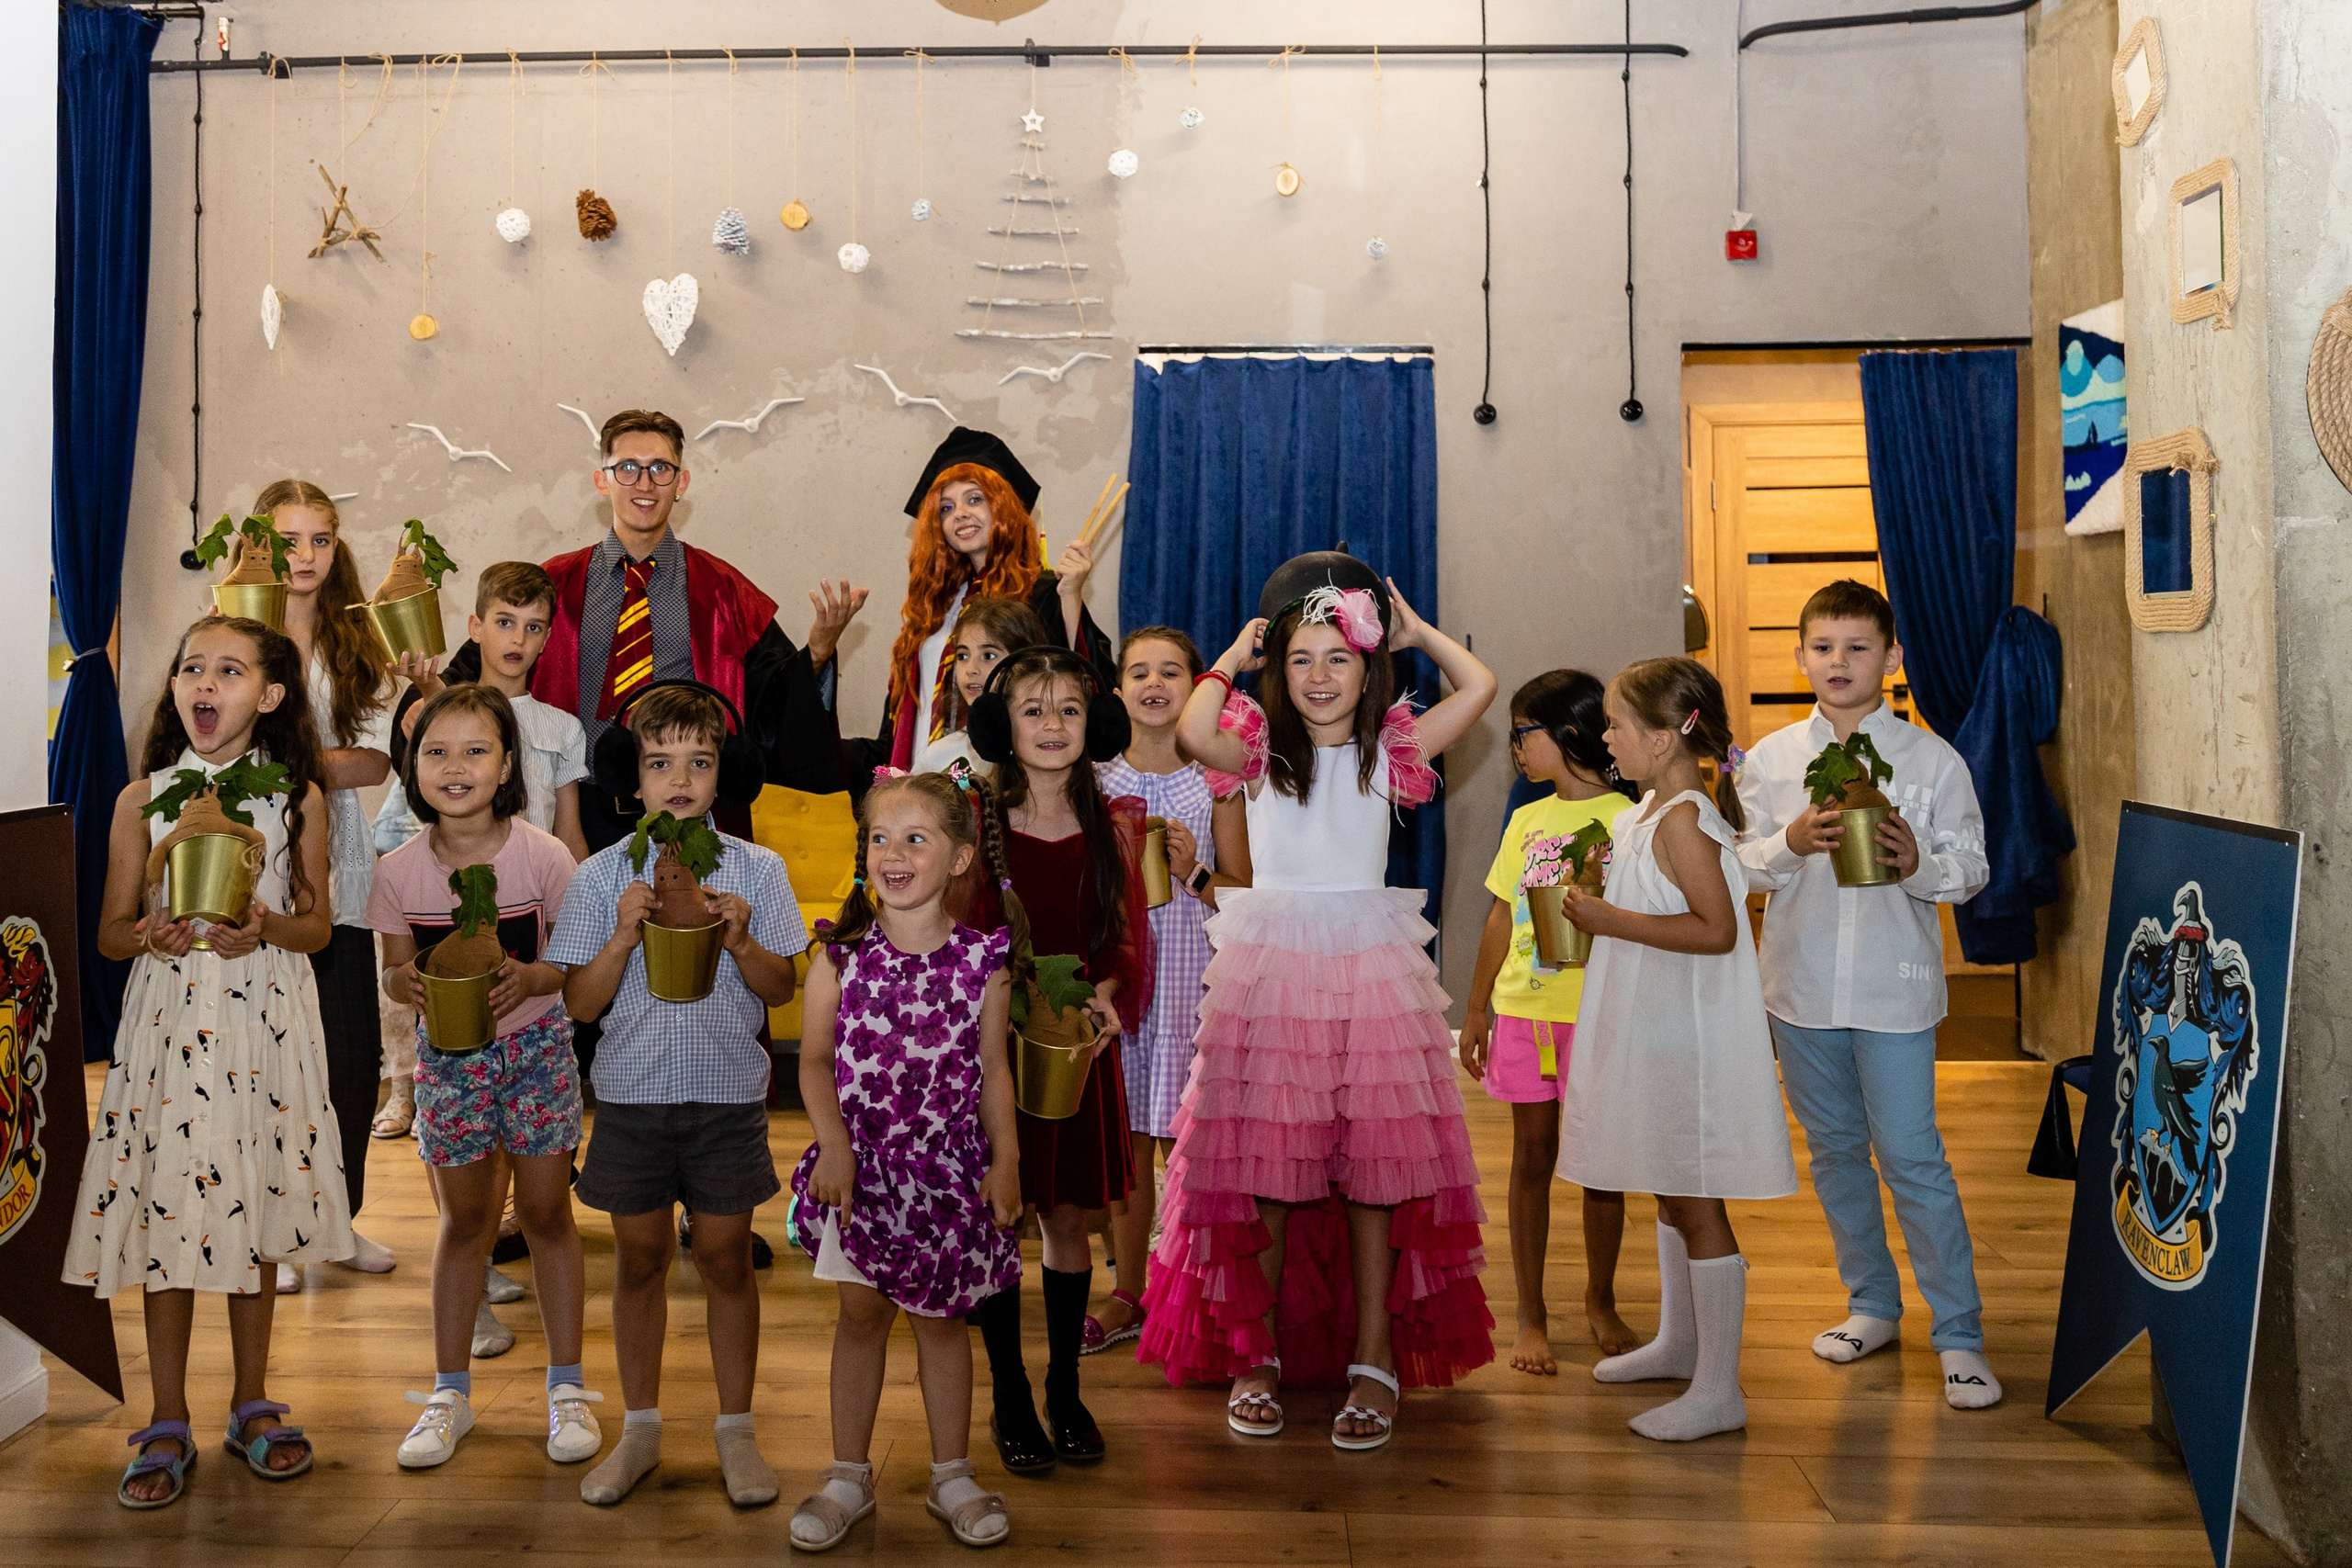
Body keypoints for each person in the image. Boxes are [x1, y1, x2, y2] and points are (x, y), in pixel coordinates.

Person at [1140, 553, 1498, 1450]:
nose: (1320, 676)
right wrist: (1230, 657)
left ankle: (1372, 1359)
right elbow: (1192, 730)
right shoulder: (1257, 753)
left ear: (1369, 668)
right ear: (1277, 670)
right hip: (1273, 971)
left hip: (1368, 968)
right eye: (1301, 658)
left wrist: (1419, 636)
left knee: (1376, 1178)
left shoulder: (1390, 751)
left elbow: (1481, 686)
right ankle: (1252, 1354)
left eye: (1338, 657)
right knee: (1265, 1172)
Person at [67, 615, 348, 1507]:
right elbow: (110, 935)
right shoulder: (139, 797)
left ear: (268, 696)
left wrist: (266, 928)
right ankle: (167, 1414)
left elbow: (318, 925)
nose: (205, 682)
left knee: (255, 1202)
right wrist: (146, 932)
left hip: (263, 1024)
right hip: (169, 1033)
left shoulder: (297, 796)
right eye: (193, 666)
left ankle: (252, 1400)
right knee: (166, 1215)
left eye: (230, 670)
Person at [1733, 580, 2000, 1409]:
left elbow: (1972, 869)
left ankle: (1959, 1332)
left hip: (1895, 992)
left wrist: (1917, 861)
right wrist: (1788, 841)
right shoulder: (1773, 761)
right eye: (1822, 646)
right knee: (1837, 1153)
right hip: (1800, 991)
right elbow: (1736, 862)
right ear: (1801, 655)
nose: (1838, 661)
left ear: (1893, 657)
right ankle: (1873, 1303)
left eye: (1857, 646)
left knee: (1914, 1157)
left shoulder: (1933, 761)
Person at [544, 682, 806, 1506]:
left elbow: (778, 987)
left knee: (727, 1258)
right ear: (635, 779)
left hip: (727, 1098)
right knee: (641, 1257)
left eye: (699, 761)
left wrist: (741, 935)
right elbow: (580, 1005)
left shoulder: (757, 867)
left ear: (723, 771)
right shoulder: (598, 876)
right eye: (662, 763)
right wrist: (622, 935)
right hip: (631, 1098)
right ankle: (642, 1428)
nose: (681, 779)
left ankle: (736, 1429)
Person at [400, 410, 860, 852]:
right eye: (627, 468)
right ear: (602, 480)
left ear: (681, 483)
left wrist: (817, 651)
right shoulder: (552, 584)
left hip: (688, 812)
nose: (644, 483)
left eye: (660, 468)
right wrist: (429, 706)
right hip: (576, 812)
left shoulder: (722, 591)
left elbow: (769, 707)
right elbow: (479, 672)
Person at [1555, 657, 1799, 1442]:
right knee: (1664, 1181)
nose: (1605, 737)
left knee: (1695, 1198)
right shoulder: (1642, 815)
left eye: (1617, 725)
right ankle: (1680, 1340)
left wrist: (1608, 921)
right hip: (1649, 1032)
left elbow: (1717, 929)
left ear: (1661, 740)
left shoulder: (1685, 819)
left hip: (1686, 1043)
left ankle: (1720, 1387)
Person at [786, 773, 1023, 1552]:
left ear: (957, 859)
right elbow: (814, 1062)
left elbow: (994, 1068)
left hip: (947, 1178)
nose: (894, 853)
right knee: (860, 1318)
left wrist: (1007, 1158)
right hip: (862, 1174)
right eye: (881, 838)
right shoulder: (840, 956)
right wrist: (838, 1145)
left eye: (916, 839)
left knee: (940, 1324)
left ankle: (951, 1472)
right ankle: (847, 1474)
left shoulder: (981, 964)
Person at [368, 685, 601, 1471]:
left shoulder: (543, 855)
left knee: (544, 1212)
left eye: (476, 750)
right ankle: (449, 1393)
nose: (456, 766)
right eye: (437, 750)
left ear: (507, 764)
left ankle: (567, 1386)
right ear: (413, 765)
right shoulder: (398, 870)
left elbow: (569, 961)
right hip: (449, 1065)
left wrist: (533, 979)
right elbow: (396, 970)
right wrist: (411, 986)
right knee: (463, 1222)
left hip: (535, 1053)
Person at [956, 648, 1152, 1472]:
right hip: (988, 1050)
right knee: (1002, 1215)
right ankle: (1008, 1396)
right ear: (1004, 725)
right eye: (1033, 710)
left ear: (1092, 724)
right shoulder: (975, 820)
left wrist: (1107, 989)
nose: (1050, 725)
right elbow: (954, 933)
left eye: (1068, 710)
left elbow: (1123, 937)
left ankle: (1064, 1385)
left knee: (1067, 1217)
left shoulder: (1113, 824)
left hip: (1072, 1044)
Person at [1457, 670, 1641, 1373]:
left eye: (1522, 733)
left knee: (1601, 1167)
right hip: (1527, 1014)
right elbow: (1501, 914)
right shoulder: (1526, 819)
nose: (1514, 748)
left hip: (1603, 1017)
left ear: (1568, 735)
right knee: (1532, 1158)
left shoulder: (1630, 818)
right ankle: (1530, 1313)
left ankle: (1600, 1299)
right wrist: (1477, 1009)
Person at [371, 561, 592, 1142]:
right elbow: (418, 804)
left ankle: (539, 1179)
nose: (517, 639)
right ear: (475, 626)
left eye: (534, 627)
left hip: (532, 897)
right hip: (453, 894)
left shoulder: (561, 728)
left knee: (535, 1057)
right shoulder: (434, 713)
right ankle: (413, 1094)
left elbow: (569, 832)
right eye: (503, 622)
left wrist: (588, 902)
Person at [1084, 626, 1251, 1358]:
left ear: (1196, 690)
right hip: (1122, 986)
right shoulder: (1094, 780)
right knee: (1125, 1146)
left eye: (1172, 672)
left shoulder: (1217, 781)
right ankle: (1130, 1289)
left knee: (1192, 1146)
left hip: (1194, 983)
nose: (1154, 683)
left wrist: (1196, 873)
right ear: (1117, 689)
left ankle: (1195, 1283)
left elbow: (1248, 894)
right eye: (1138, 671)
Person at [258, 480, 399, 1278]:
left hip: (339, 878)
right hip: (257, 881)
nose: (304, 555)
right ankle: (274, 1227)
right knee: (272, 1059)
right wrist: (315, 767)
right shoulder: (233, 631)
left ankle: (337, 1225)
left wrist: (280, 765)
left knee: (350, 1063)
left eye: (319, 539)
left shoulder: (358, 640)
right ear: (259, 546)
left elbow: (373, 760)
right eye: (288, 539)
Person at [859, 428, 1114, 776]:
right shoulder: (935, 606)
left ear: (1004, 508)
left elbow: (1080, 678)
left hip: (1003, 777)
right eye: (946, 508)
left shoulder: (1038, 592)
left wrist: (1069, 596)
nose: (960, 513)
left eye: (975, 499)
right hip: (926, 776)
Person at [911, 595, 1052, 780]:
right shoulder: (937, 757)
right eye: (962, 656)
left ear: (1025, 661)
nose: (971, 670)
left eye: (988, 656)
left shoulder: (1052, 745)